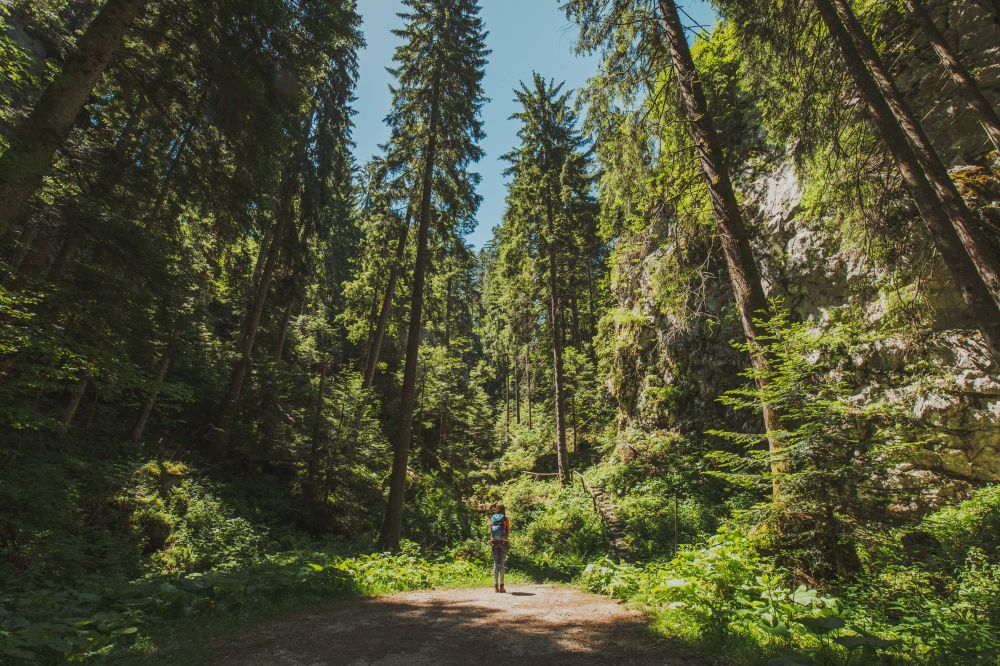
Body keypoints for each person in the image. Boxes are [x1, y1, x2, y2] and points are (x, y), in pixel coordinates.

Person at [489, 503, 510, 593]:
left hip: (494, 542)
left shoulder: (492, 517)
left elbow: (490, 531)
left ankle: (495, 587)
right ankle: (502, 586)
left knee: (495, 563)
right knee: (502, 564)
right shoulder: (506, 518)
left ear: (497, 509)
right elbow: (508, 532)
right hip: (503, 542)